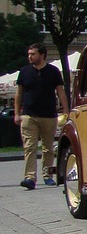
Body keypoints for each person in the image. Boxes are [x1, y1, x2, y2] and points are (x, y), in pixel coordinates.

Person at [14, 43, 69, 189]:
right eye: (29, 54)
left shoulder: (53, 71)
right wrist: (17, 113)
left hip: (49, 115)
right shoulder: (24, 72)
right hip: (28, 115)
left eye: (33, 54)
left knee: (48, 148)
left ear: (42, 55)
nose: (30, 57)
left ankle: (48, 175)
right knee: (30, 147)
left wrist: (66, 110)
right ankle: (30, 177)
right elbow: (19, 94)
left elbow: (60, 91)